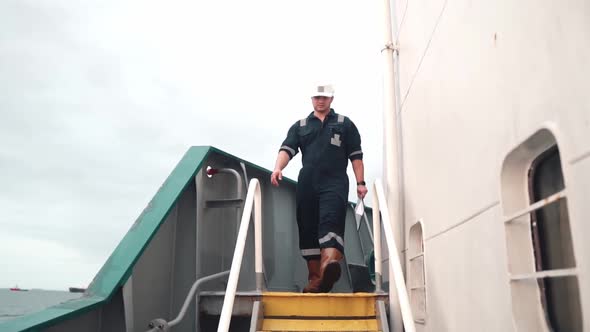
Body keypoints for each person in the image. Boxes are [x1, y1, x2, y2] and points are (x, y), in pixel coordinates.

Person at [271, 84, 367, 293]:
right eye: (317, 97)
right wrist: (278, 168)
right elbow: (287, 149)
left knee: (331, 221)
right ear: (312, 99)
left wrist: (361, 183)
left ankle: (327, 268)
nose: (320, 101)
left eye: (324, 97)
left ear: (331, 99)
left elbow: (356, 157)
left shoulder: (344, 124)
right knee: (307, 227)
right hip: (308, 182)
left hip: (335, 181)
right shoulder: (301, 125)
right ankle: (316, 280)